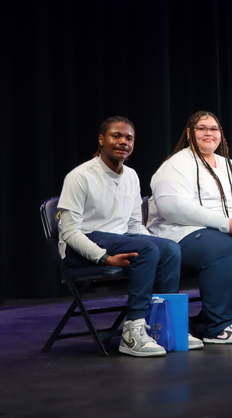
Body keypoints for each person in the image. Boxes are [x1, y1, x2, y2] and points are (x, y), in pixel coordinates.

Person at [58, 116, 198, 357]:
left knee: (170, 248)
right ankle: (133, 330)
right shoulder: (80, 176)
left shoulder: (131, 175)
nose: (123, 141)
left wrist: (157, 246)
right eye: (116, 135)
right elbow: (69, 231)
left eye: (129, 138)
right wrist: (103, 258)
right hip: (84, 244)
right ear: (101, 140)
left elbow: (134, 225)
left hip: (120, 239)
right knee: (148, 250)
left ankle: (166, 326)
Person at [148, 111, 232, 344]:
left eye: (214, 128)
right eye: (202, 128)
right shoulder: (177, 164)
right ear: (189, 133)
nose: (209, 133)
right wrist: (225, 224)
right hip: (181, 233)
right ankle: (218, 326)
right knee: (219, 248)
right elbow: (173, 207)